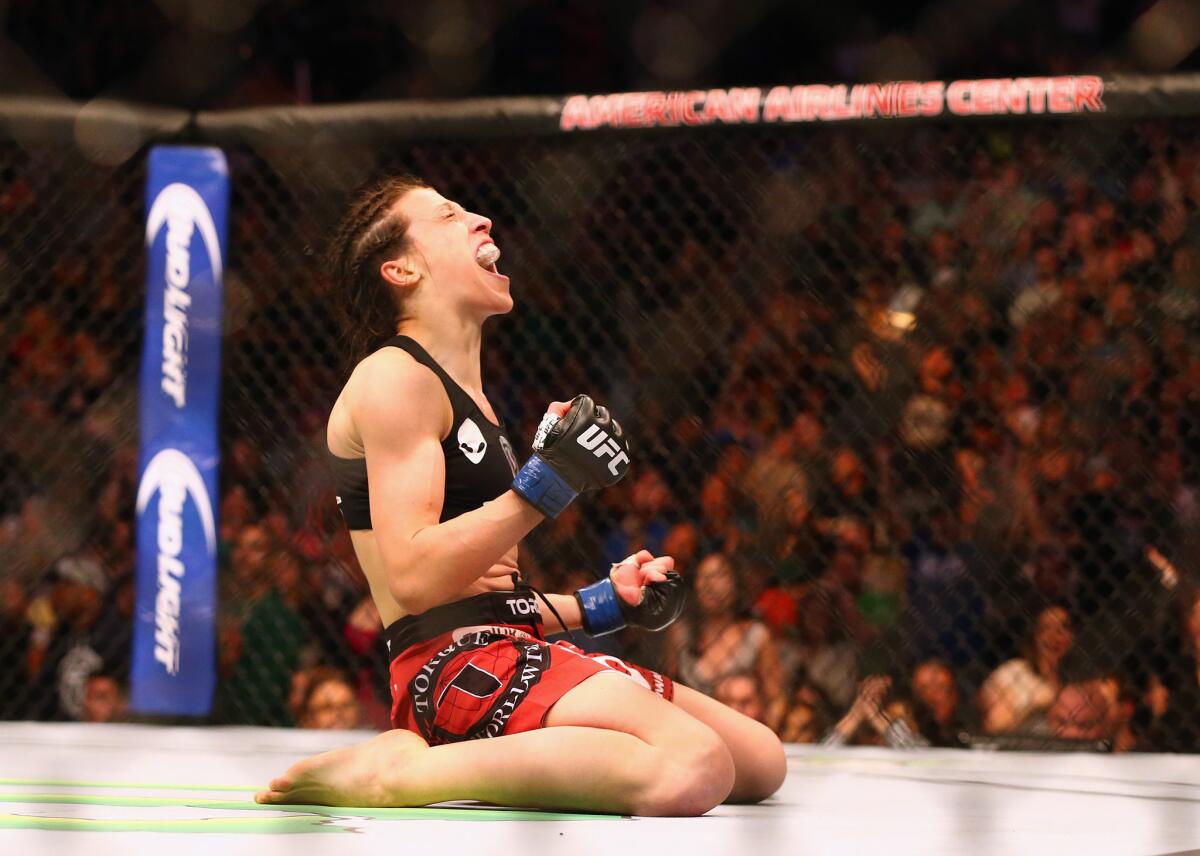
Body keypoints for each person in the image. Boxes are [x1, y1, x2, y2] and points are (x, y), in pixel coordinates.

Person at [255, 176, 785, 816]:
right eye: (448, 217)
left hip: (508, 646)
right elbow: (419, 579)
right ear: (401, 268)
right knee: (694, 765)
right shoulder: (396, 377)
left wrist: (601, 605)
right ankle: (400, 775)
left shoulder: (471, 400)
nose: (480, 218)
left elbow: (485, 592)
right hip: (451, 669)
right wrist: (547, 483)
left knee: (760, 761)